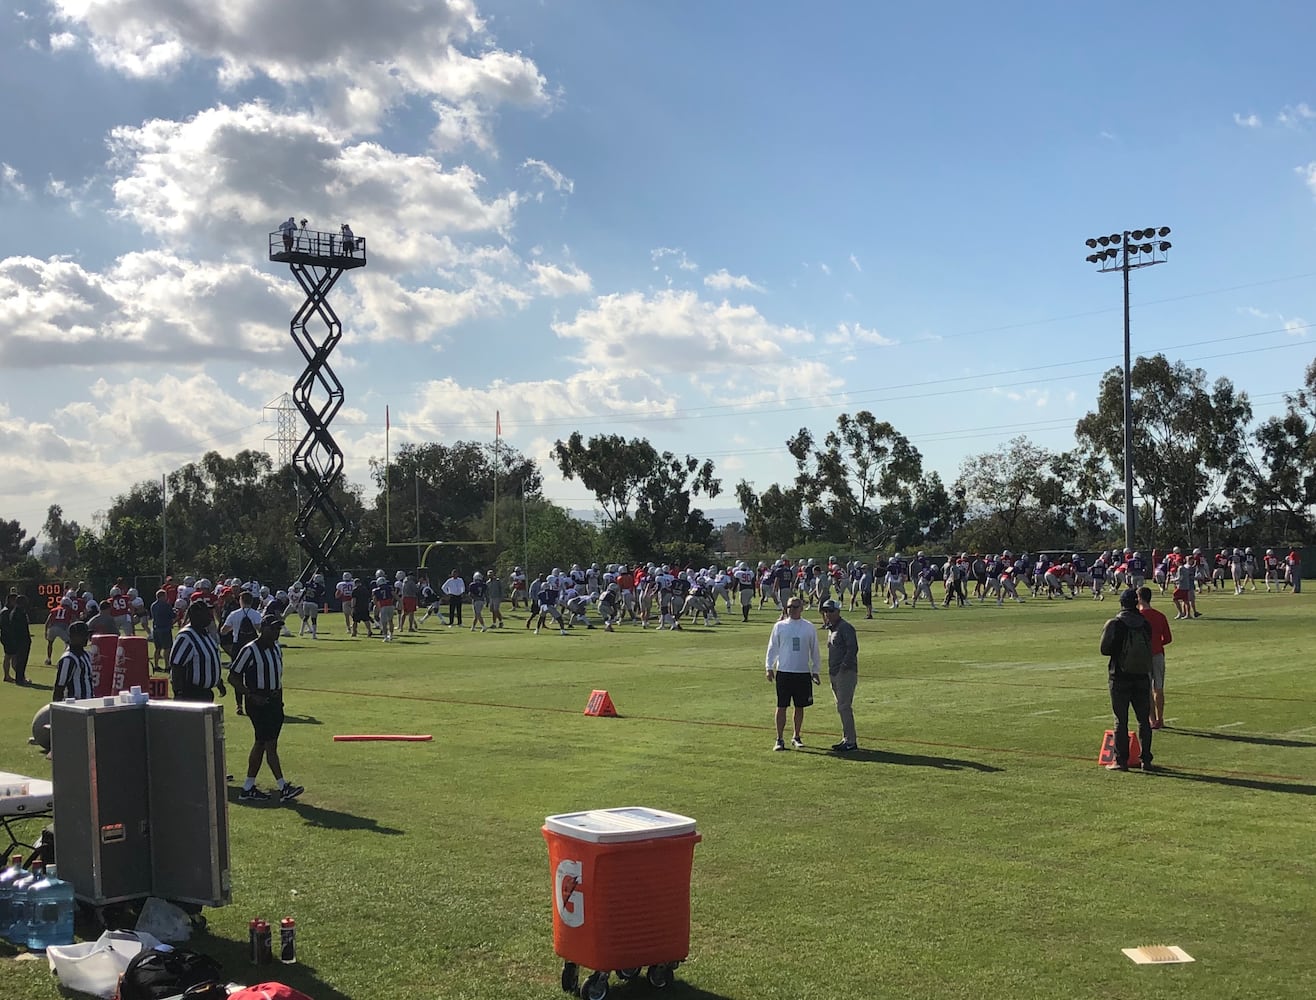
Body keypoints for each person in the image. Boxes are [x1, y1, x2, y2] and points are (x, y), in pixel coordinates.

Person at [229, 613, 304, 803]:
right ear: (263, 628)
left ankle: (248, 787)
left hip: (274, 701)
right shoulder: (250, 650)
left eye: (279, 628)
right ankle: (282, 786)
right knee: (267, 743)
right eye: (273, 628)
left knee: (265, 743)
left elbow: (277, 677)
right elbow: (233, 677)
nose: (277, 632)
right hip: (258, 702)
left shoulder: (277, 649)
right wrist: (250, 695)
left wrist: (279, 698)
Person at [1098, 590, 1155, 772]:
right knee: (1144, 720)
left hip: (1119, 676)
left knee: (1120, 721)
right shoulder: (1145, 623)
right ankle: (1146, 759)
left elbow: (1104, 649)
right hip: (1141, 676)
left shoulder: (1115, 623)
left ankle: (1120, 760)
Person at [764, 596, 821, 751]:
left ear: (801, 608)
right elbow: (772, 647)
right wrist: (769, 667)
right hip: (784, 671)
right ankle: (779, 738)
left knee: (799, 706)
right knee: (781, 706)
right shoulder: (780, 626)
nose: (792, 610)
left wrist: (815, 670)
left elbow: (814, 649)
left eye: (795, 607)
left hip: (802, 672)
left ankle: (796, 736)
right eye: (789, 607)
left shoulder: (808, 627)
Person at [819, 599, 859, 752]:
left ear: (838, 611)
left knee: (844, 706)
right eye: (826, 611)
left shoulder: (845, 627)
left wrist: (844, 667)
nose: (828, 614)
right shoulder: (832, 629)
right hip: (834, 673)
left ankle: (851, 741)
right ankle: (846, 738)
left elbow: (853, 648)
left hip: (845, 673)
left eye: (830, 611)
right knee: (840, 707)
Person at [169, 601, 226, 704]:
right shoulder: (186, 636)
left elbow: (208, 661)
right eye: (207, 613)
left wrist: (217, 681)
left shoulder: (205, 634)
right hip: (191, 694)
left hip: (206, 693)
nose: (210, 616)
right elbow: (176, 666)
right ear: (196, 615)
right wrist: (179, 693)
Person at [1137, 587, 1173, 730]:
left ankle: (1152, 720)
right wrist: (1157, 642)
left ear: (1139, 598)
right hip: (1158, 654)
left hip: (1143, 656)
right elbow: (1168, 638)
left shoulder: (1138, 617)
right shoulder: (1160, 615)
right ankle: (1160, 718)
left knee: (1146, 689)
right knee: (1158, 688)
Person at [52, 621, 94, 702]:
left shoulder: (87, 655)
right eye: (83, 635)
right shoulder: (68, 659)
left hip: (89, 702)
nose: (86, 638)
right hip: (75, 704)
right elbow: (59, 687)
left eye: (87, 635)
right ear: (73, 637)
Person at [1, 594, 32, 685]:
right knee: (11, 657)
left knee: (16, 658)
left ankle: (20, 676)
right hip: (12, 638)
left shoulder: (15, 611)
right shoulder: (8, 612)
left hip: (15, 639)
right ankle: (13, 676)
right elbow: (7, 627)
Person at [148, 589, 174, 671]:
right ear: (163, 596)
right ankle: (167, 666)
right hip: (165, 629)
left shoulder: (153, 605)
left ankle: (156, 666)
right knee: (167, 648)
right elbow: (172, 615)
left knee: (157, 648)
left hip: (156, 629)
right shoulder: (166, 605)